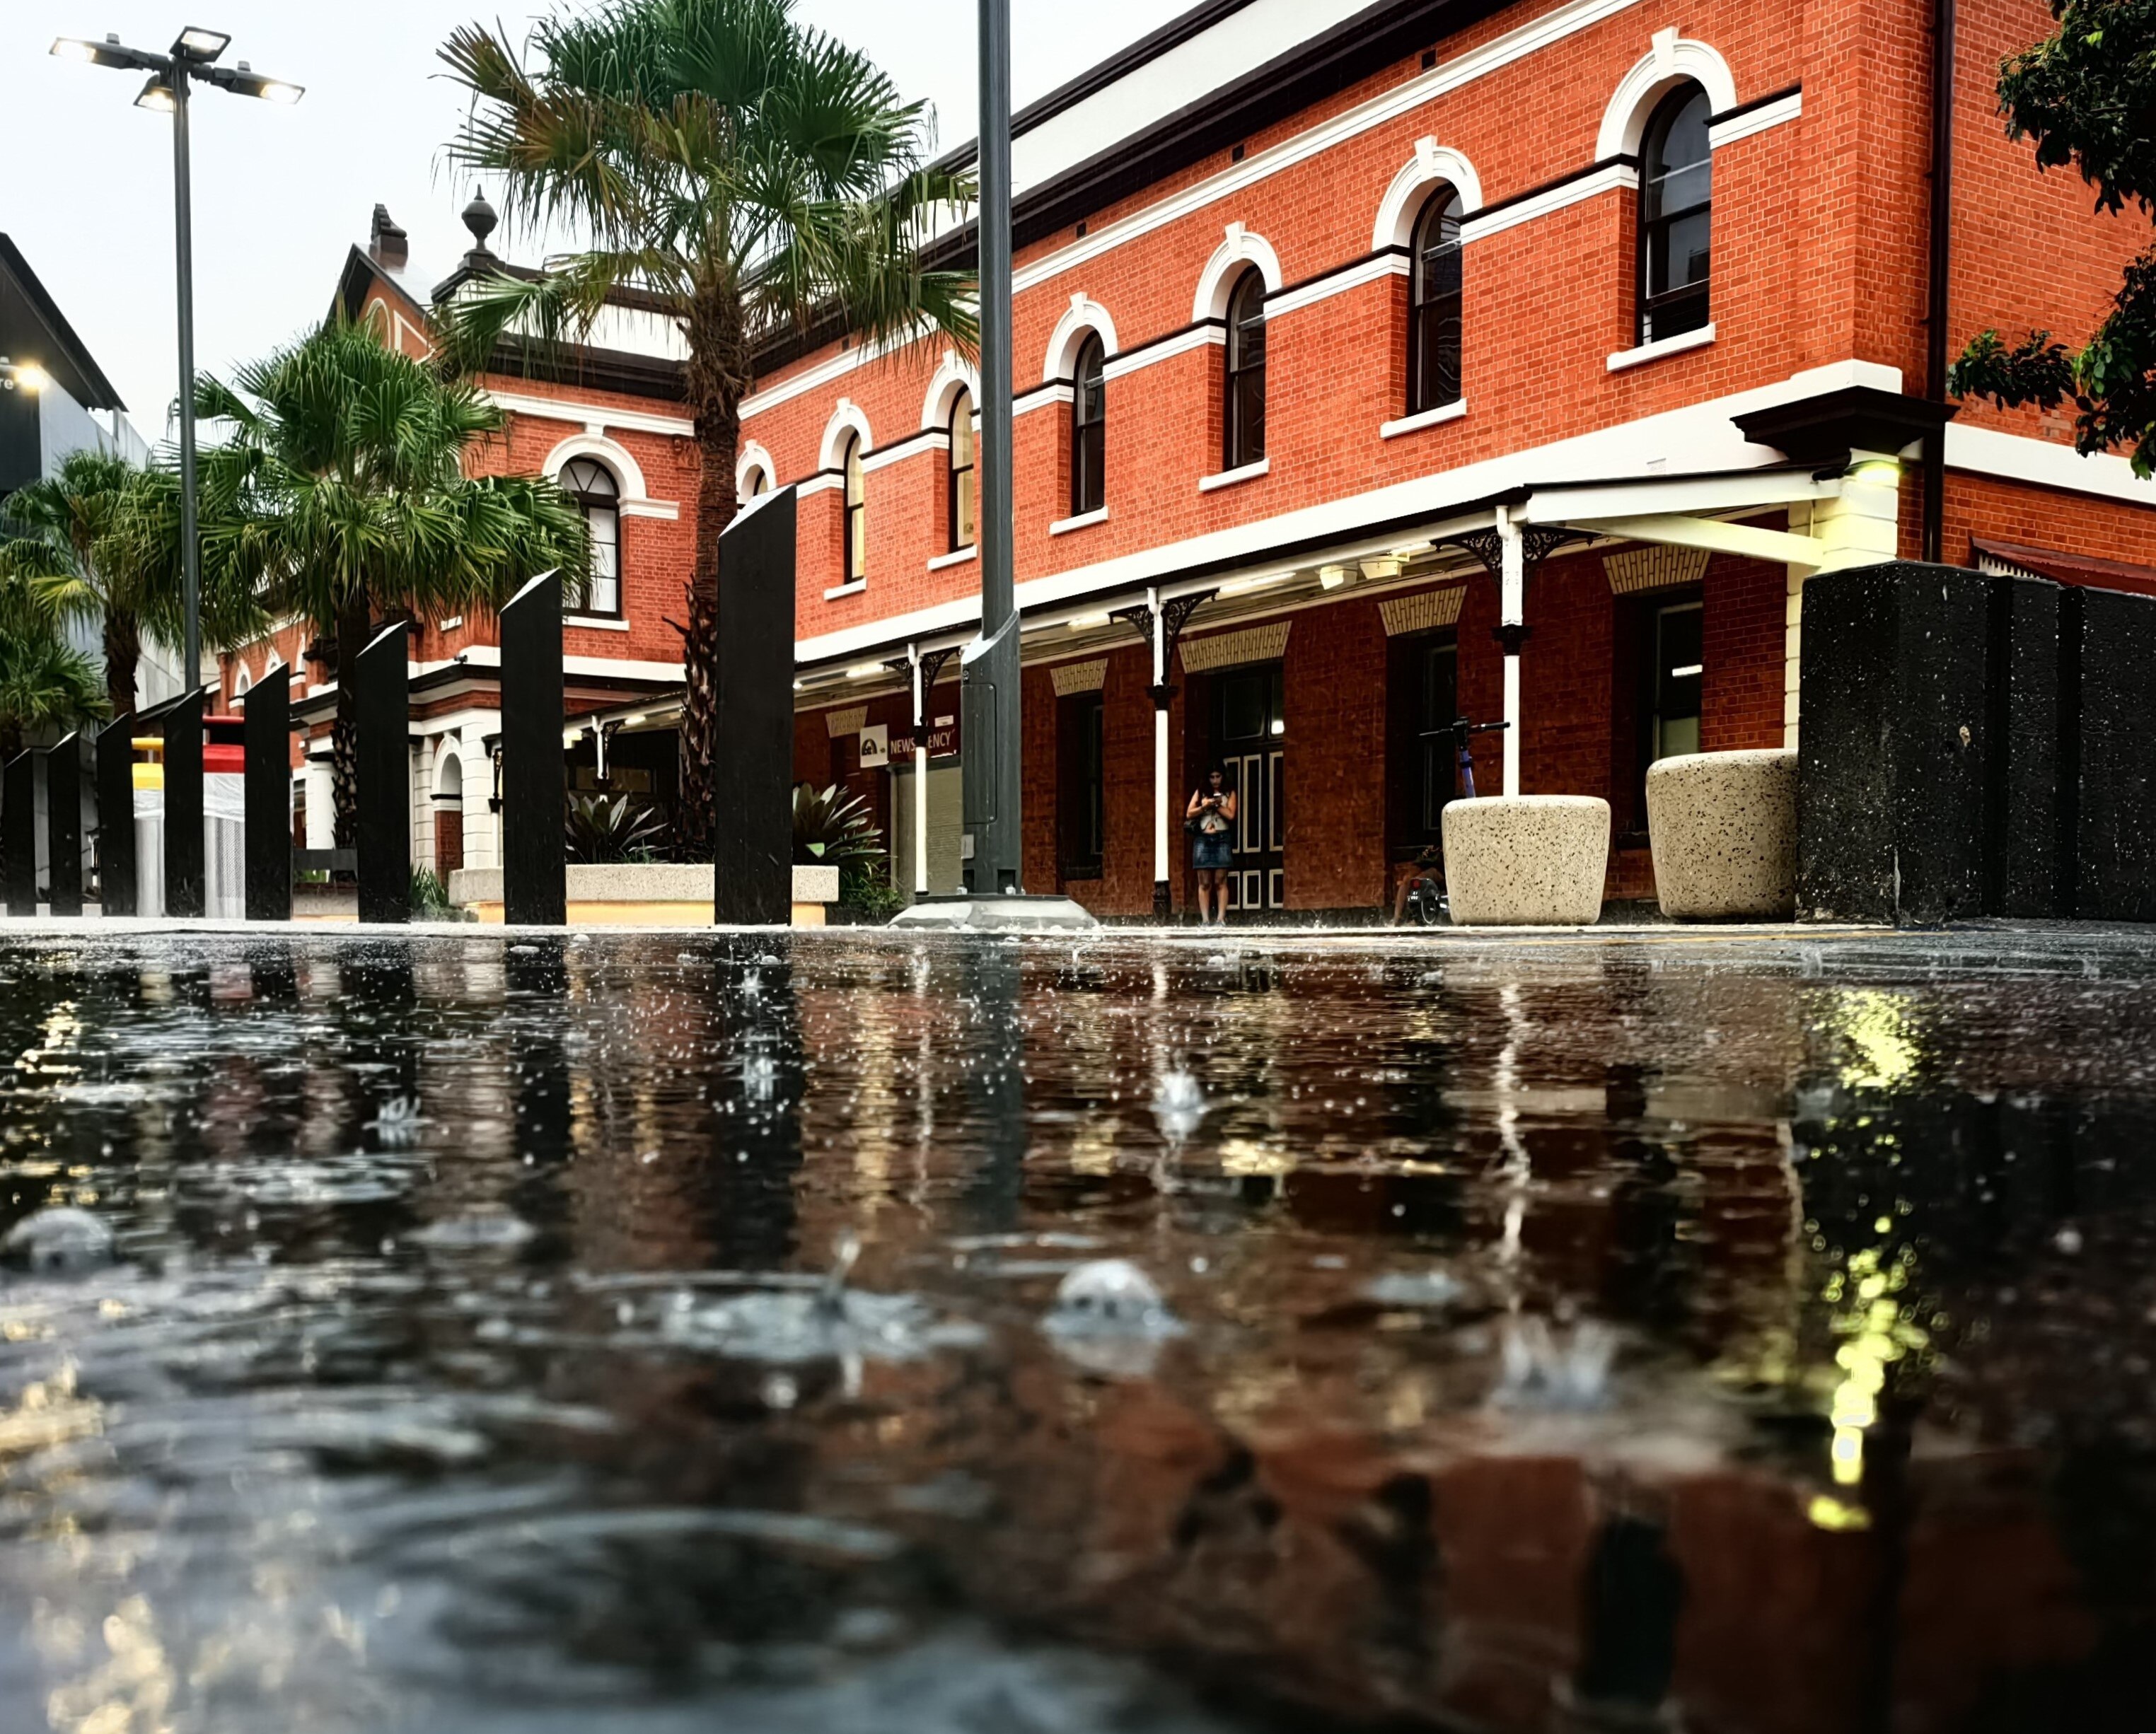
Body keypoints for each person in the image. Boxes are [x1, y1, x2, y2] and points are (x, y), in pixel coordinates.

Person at [1186, 765, 1237, 924]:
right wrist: (1205, 806)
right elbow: (1189, 813)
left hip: (1221, 838)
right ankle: (1205, 920)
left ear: (1223, 777)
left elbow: (1231, 814)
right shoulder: (1201, 792)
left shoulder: (1230, 793)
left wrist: (1217, 805)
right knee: (1204, 881)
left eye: (1218, 776)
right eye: (1212, 777)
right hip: (1203, 838)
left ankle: (1221, 918)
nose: (1215, 780)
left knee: (1220, 880)